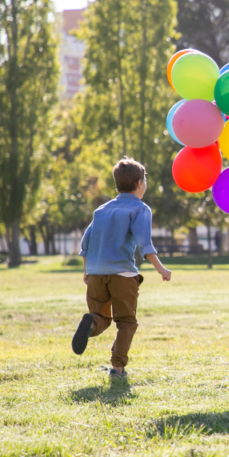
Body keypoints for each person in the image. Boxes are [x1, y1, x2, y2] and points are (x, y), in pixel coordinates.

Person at [71, 157, 172, 379]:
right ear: (139, 183)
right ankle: (117, 368)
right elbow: (145, 244)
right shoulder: (140, 209)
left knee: (100, 317)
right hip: (122, 274)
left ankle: (90, 324)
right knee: (126, 322)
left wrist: (86, 270)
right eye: (145, 180)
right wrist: (161, 269)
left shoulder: (102, 210)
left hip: (96, 273)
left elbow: (85, 243)